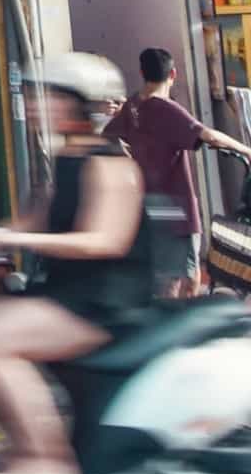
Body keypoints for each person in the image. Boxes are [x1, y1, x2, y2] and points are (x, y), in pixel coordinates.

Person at [0, 52, 150, 474]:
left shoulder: (110, 164)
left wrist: (18, 240)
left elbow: (105, 240)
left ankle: (46, 458)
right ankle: (22, 443)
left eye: (44, 96)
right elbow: (33, 220)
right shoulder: (63, 161)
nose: (32, 105)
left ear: (78, 103)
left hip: (102, 304)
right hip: (66, 293)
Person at [104, 47, 251, 297]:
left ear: (142, 72)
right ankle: (176, 324)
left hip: (149, 203)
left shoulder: (133, 106)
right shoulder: (165, 108)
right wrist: (246, 150)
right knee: (183, 277)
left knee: (176, 272)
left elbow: (108, 136)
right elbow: (209, 135)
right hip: (176, 206)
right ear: (173, 73)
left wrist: (130, 157)